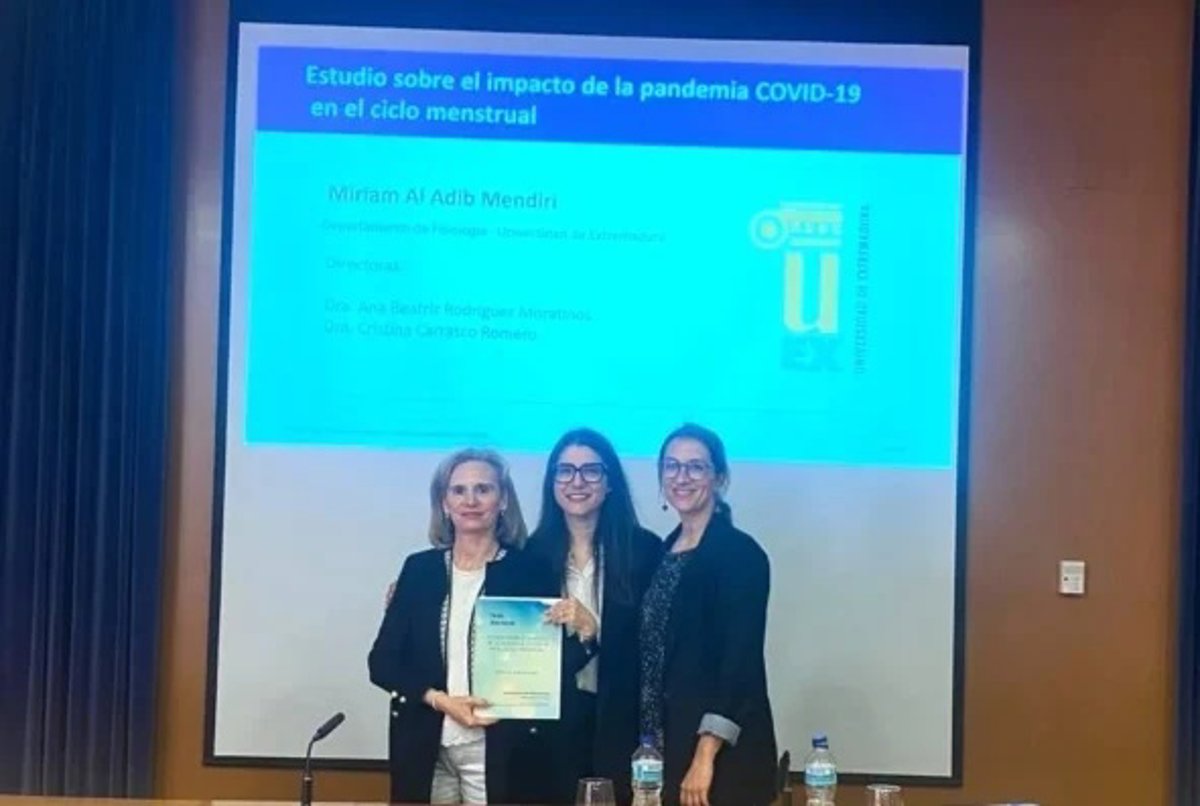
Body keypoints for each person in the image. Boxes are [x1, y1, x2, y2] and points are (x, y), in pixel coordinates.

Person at [367, 448, 551, 805]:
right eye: (458, 490)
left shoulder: (530, 571)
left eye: (483, 489)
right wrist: (440, 701)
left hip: (501, 747)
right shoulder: (419, 570)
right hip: (426, 745)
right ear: (444, 502)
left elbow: (555, 663)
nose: (471, 501)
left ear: (503, 500)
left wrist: (582, 631)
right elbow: (382, 663)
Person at [639, 424, 777, 806]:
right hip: (663, 746)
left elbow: (739, 663)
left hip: (718, 759)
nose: (681, 477)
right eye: (671, 466)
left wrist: (704, 755)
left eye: (695, 467)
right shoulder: (661, 554)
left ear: (719, 477)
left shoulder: (740, 555)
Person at [526, 428, 663, 804]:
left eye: (590, 471)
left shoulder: (645, 551)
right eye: (565, 471)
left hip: (624, 721)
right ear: (552, 482)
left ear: (610, 482)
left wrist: (594, 630)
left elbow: (658, 647)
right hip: (554, 725)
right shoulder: (531, 554)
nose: (577, 482)